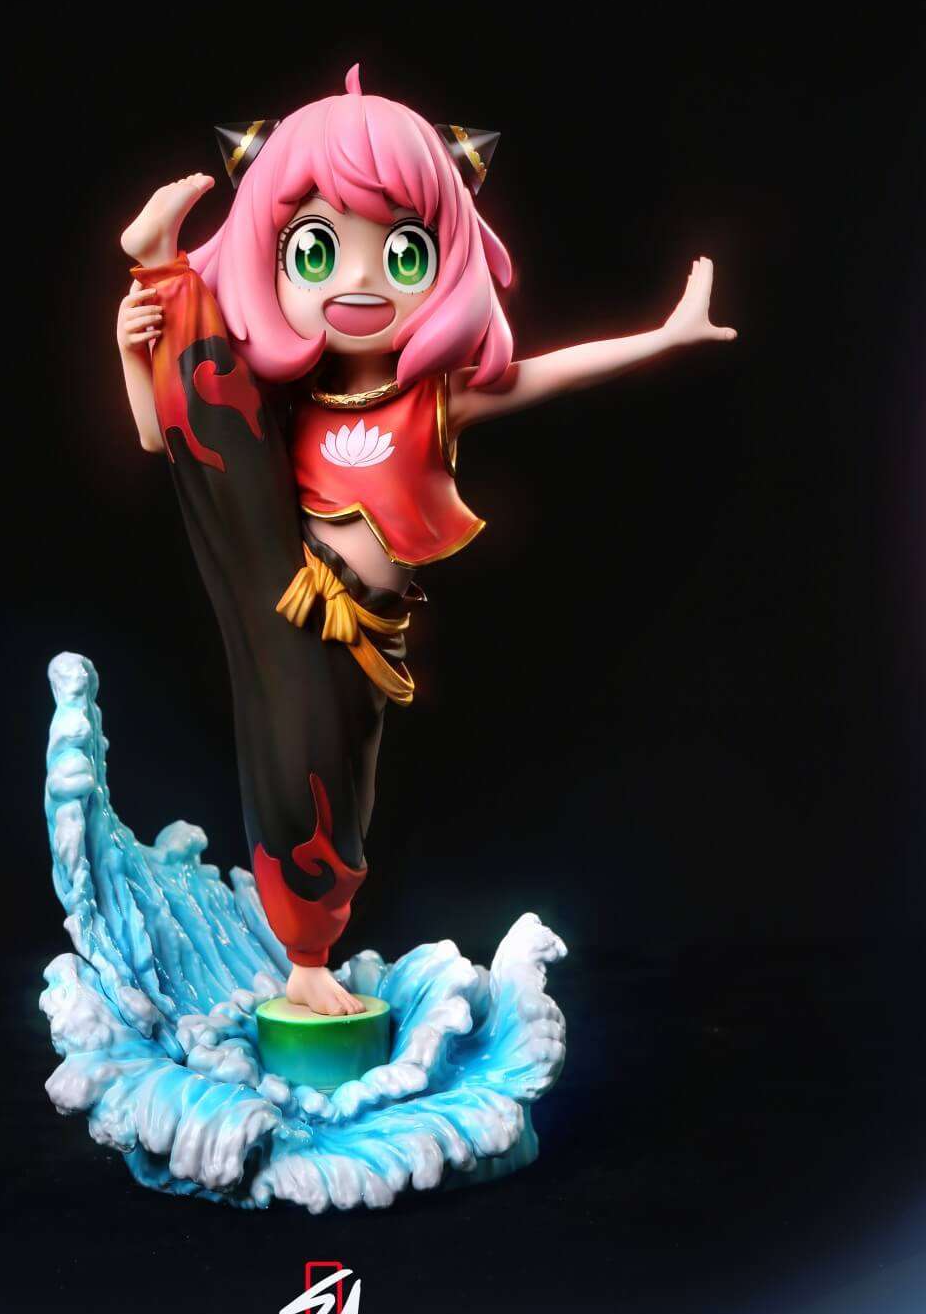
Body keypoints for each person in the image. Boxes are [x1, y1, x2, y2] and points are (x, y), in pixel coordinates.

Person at [116, 66, 736, 1015]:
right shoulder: (281, 402)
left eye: (403, 254)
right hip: (287, 584)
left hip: (371, 631)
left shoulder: (431, 399)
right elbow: (167, 438)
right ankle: (308, 964)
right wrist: (138, 343)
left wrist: (662, 337)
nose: (361, 281)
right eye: (317, 250)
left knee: (341, 786)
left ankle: (314, 952)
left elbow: (551, 371)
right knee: (296, 763)